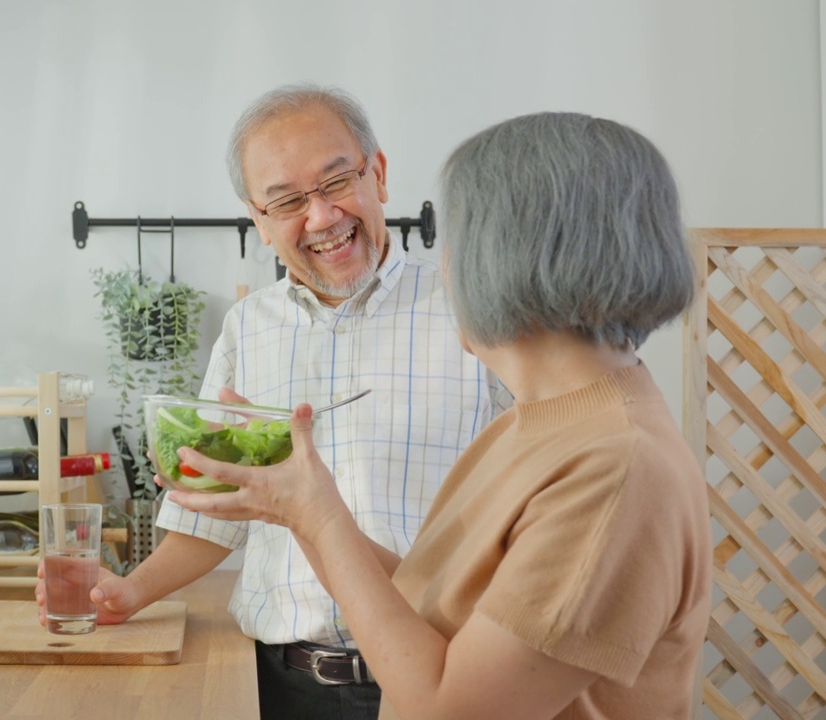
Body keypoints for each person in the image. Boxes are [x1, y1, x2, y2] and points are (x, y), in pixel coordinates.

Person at [168, 112, 711, 719]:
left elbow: (451, 710)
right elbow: (431, 602)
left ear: (511, 257)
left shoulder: (613, 468)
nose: (445, 266)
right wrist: (291, 503)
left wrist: (315, 515)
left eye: (460, 237)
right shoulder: (537, 426)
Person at [37, 84, 501, 719]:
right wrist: (126, 592)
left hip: (441, 680)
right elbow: (217, 510)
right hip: (281, 689)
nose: (320, 217)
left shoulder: (475, 311)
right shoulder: (248, 327)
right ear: (258, 221)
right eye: (285, 201)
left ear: (380, 175)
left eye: (337, 182)